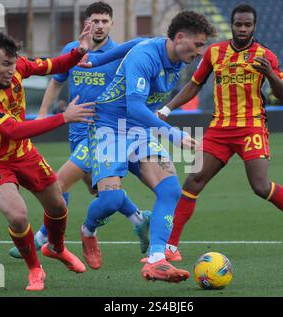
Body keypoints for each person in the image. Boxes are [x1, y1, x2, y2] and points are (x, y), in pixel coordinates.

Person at [155, 4, 283, 261]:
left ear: (254, 27)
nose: (243, 29)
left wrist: (269, 73)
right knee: (193, 182)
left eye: (248, 25)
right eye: (238, 24)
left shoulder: (265, 55)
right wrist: (167, 109)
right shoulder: (215, 52)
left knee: (259, 186)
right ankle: (170, 247)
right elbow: (193, 86)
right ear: (233, 25)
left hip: (251, 127)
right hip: (220, 129)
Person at [8, 2, 151, 260]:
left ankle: (46, 238)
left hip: (102, 131)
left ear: (111, 24)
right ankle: (139, 219)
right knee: (99, 191)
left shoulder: (119, 54)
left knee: (60, 181)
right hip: (75, 130)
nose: (99, 26)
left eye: (104, 21)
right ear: (86, 23)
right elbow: (56, 82)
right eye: (94, 21)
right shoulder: (71, 51)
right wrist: (42, 114)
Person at [81, 11, 215, 282]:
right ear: (179, 37)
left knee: (170, 190)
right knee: (109, 201)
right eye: (198, 44)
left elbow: (132, 43)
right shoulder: (147, 56)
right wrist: (173, 134)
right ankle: (88, 232)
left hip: (140, 131)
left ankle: (156, 259)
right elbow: (135, 106)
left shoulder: (175, 56)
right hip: (109, 126)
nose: (200, 51)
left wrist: (95, 59)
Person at [0, 29, 96, 291]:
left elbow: (54, 65)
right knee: (18, 216)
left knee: (57, 205)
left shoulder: (19, 66)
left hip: (24, 153)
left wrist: (78, 52)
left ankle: (56, 248)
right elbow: (13, 130)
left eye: (13, 63)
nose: (11, 70)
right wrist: (64, 117)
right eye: (4, 64)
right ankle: (35, 269)